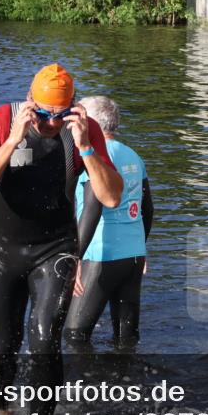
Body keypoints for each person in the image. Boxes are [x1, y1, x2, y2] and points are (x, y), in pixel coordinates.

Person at [0, 64, 122, 415]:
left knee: (45, 339)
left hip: (56, 248)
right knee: (4, 343)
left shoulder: (83, 130)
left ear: (72, 106)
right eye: (46, 114)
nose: (52, 123)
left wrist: (86, 146)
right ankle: (2, 408)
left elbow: (112, 196)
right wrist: (13, 140)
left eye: (60, 114)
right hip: (3, 250)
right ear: (31, 101)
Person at [65, 96, 153, 348]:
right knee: (126, 338)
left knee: (74, 335)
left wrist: (75, 260)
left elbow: (92, 210)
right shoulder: (133, 155)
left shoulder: (94, 157)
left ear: (91, 122)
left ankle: (86, 386)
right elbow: (148, 208)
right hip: (133, 256)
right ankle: (127, 382)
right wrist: (142, 248)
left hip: (101, 255)